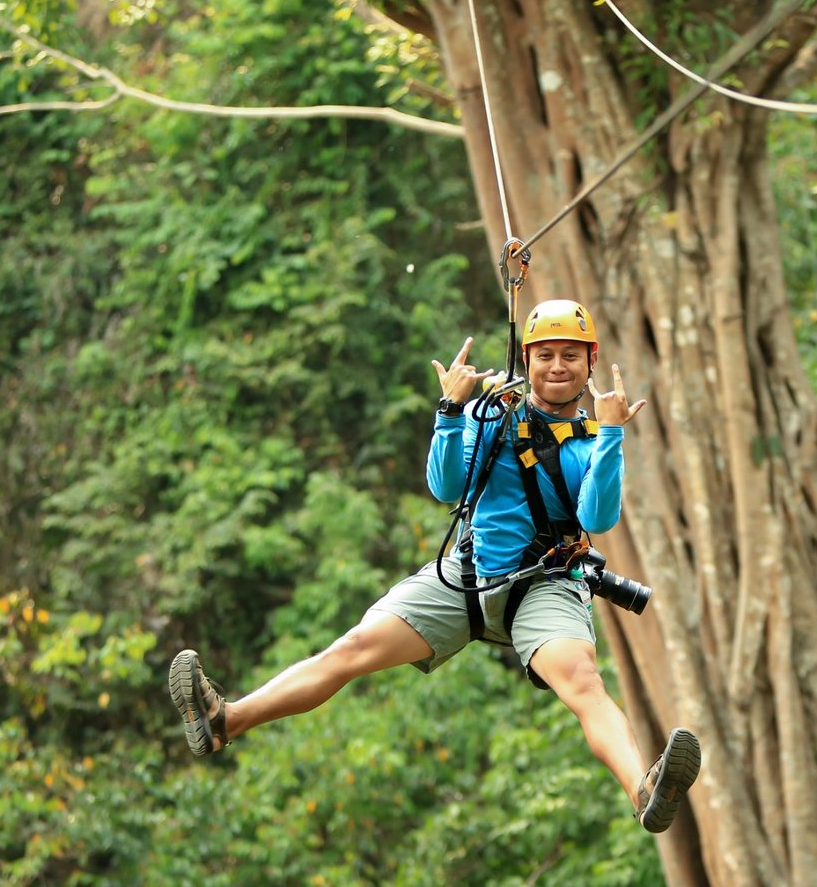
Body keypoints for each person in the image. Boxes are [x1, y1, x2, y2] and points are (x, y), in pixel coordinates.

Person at [168, 299, 700, 833]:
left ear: (590, 362)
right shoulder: (491, 412)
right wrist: (450, 412)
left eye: (569, 356)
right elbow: (446, 487)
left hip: (546, 582)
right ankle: (225, 720)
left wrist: (610, 436)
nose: (557, 366)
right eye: (545, 355)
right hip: (466, 575)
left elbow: (597, 517)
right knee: (350, 650)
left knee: (584, 683)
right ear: (525, 357)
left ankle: (643, 788)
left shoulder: (592, 441)